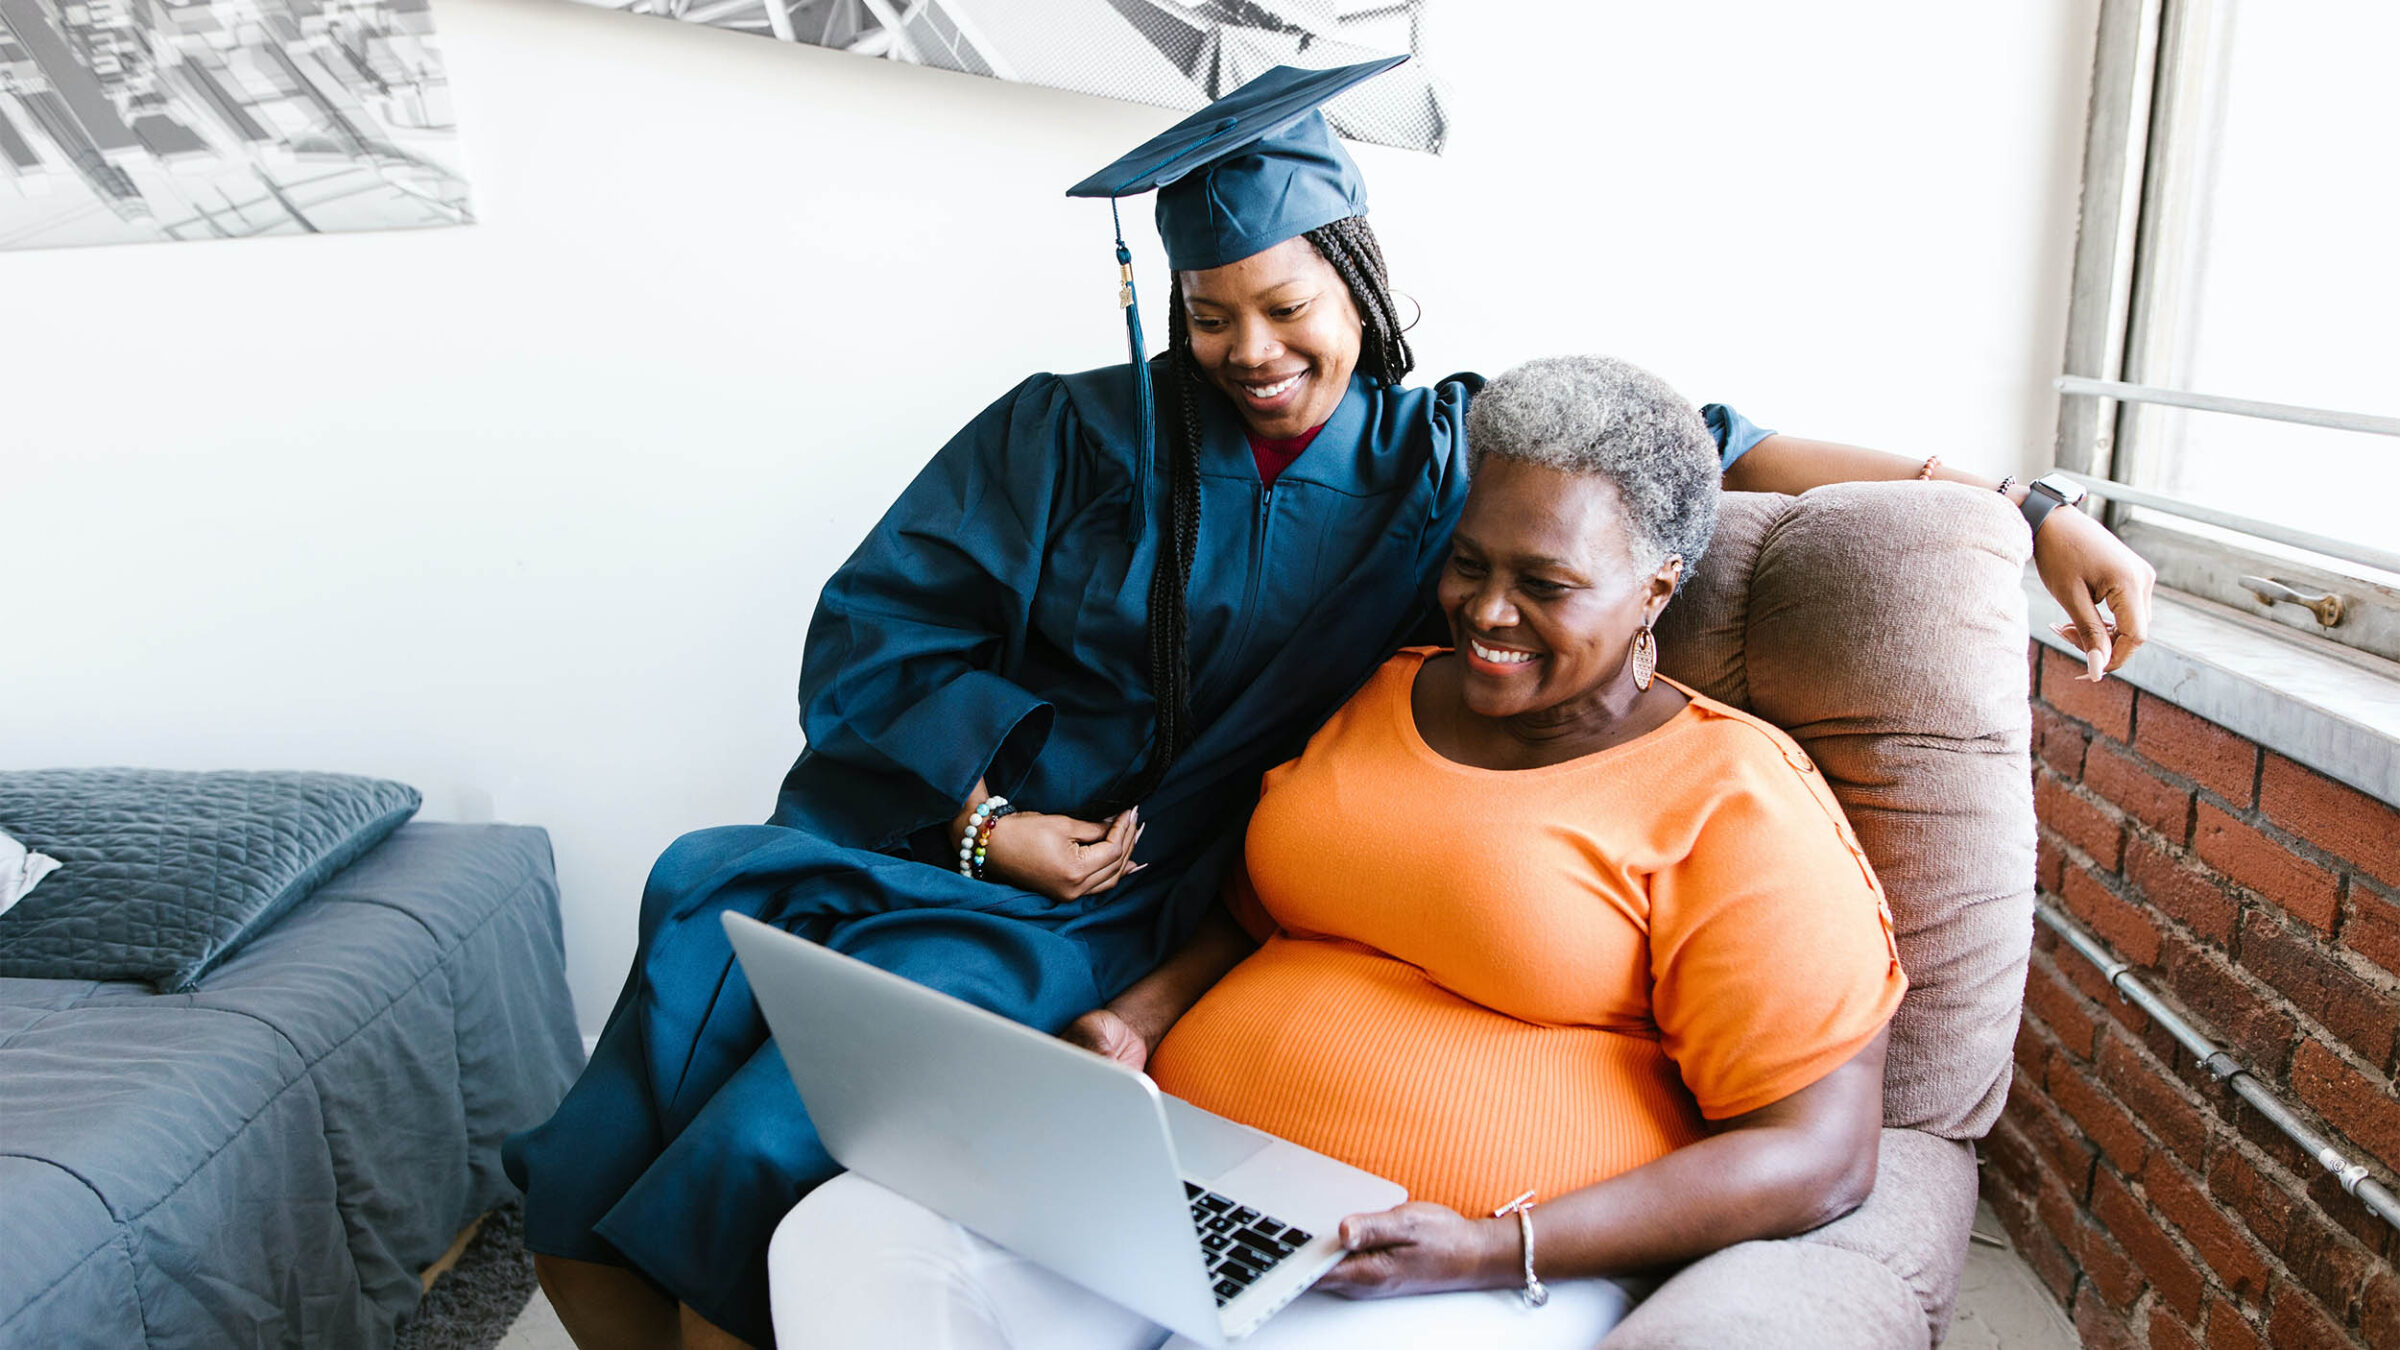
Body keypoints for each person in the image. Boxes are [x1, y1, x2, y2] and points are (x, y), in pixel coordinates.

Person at [505, 61, 2154, 1350]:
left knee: (762, 1152)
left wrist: (2019, 502)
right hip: (965, 855)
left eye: (1285, 307)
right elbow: (876, 638)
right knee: (622, 1116)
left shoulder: (1457, 461)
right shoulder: (1063, 435)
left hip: (1142, 909)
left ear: (1358, 278)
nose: (1249, 348)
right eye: (1211, 316)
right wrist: (994, 822)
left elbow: (1711, 440)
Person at [765, 355, 1908, 1347]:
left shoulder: (1733, 794)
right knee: (854, 1236)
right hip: (1187, 1188)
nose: (1487, 614)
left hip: (1467, 1262)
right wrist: (1138, 1023)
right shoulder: (1374, 695)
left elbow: (1817, 1152)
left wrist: (1483, 1248)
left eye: (1546, 585)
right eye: (1470, 564)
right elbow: (1253, 915)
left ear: (1658, 582)